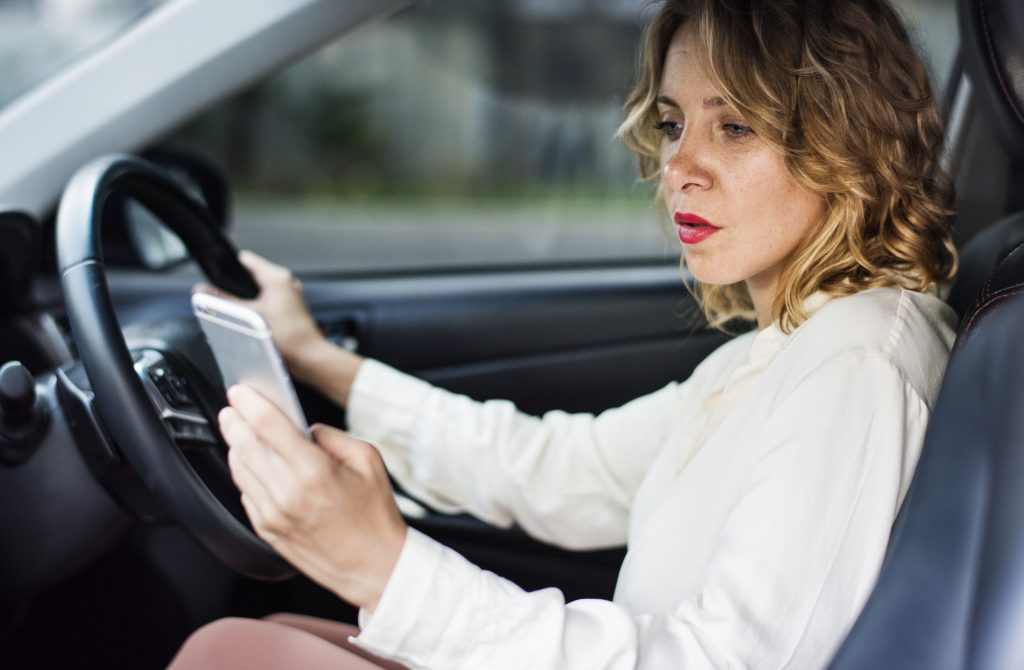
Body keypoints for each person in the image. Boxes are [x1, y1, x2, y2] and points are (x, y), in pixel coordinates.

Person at [168, 0, 958, 667]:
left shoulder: (856, 363)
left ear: (847, 143)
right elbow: (559, 469)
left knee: (227, 652)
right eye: (674, 122)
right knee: (267, 637)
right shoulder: (771, 355)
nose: (681, 164)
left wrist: (386, 568)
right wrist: (320, 363)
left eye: (737, 127)